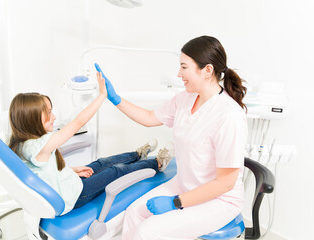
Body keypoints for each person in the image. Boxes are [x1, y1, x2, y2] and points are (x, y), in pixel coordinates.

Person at [95, 35, 248, 239]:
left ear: (207, 70)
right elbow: (150, 117)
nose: (179, 74)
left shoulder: (229, 116)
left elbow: (224, 184)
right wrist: (115, 99)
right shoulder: (185, 99)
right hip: (184, 184)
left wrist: (176, 202)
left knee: (147, 232)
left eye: (184, 67)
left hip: (218, 200)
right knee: (133, 214)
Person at [8, 71, 173, 215]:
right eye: (49, 113)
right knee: (115, 172)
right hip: (75, 196)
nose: (54, 117)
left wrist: (73, 170)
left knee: (102, 162)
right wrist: (102, 96)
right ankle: (157, 163)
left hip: (70, 183)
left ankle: (138, 155)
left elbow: (45, 173)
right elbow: (77, 123)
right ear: (32, 118)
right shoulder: (38, 146)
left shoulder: (24, 143)